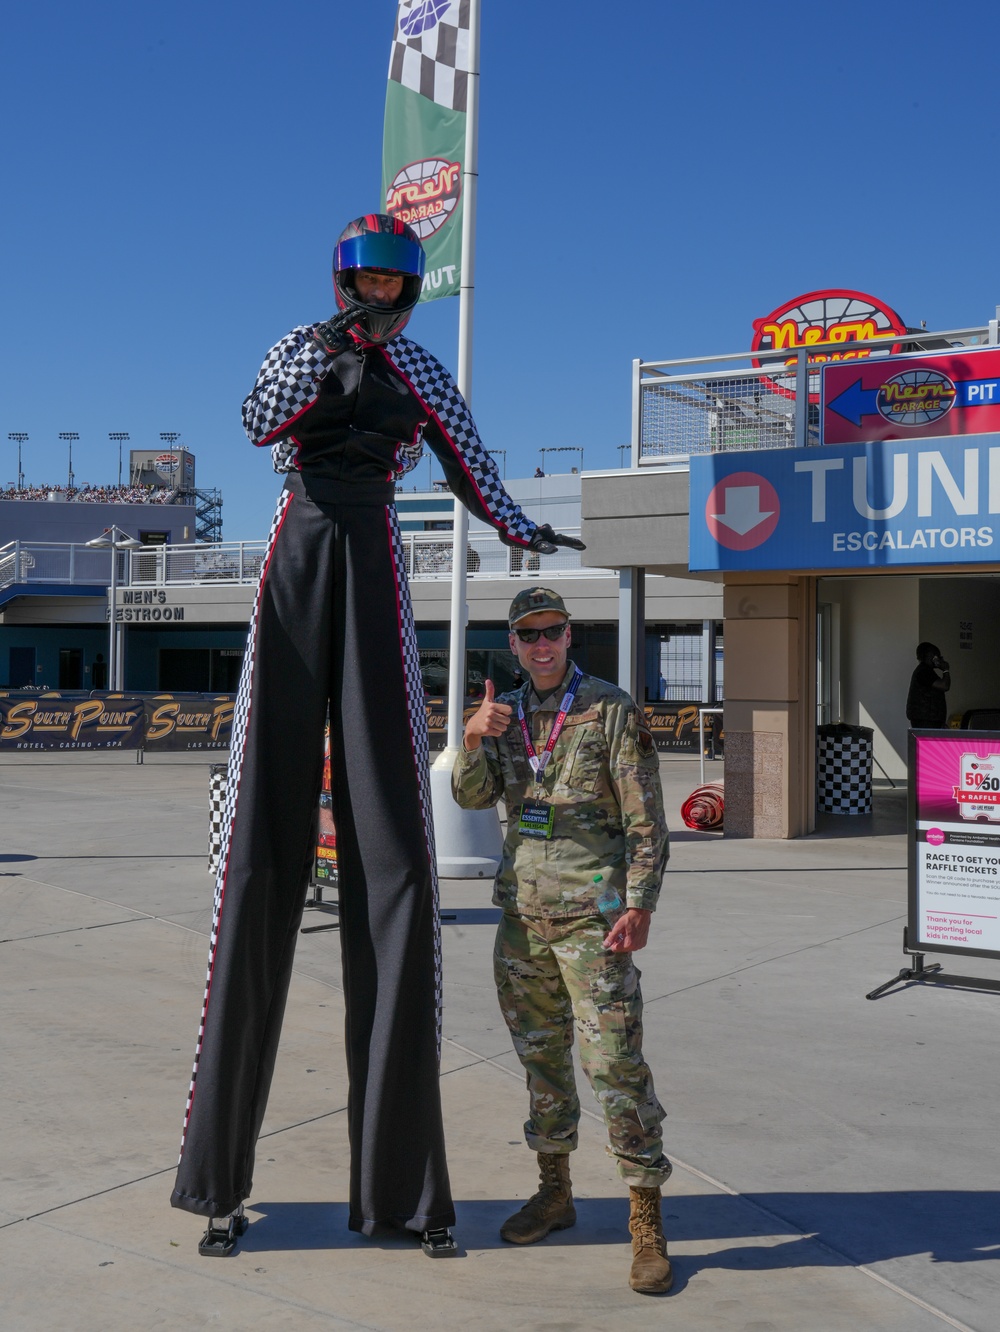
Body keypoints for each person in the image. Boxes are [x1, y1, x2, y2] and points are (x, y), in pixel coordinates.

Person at [170, 215, 584, 1257]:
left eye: (396, 283)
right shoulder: (295, 344)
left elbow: (470, 464)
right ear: (343, 279)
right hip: (297, 556)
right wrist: (328, 346)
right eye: (366, 280)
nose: (381, 295)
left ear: (412, 290)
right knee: (258, 863)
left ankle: (402, 1194)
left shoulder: (425, 373)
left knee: (394, 856)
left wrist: (521, 526)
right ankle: (219, 1181)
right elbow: (258, 420)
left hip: (373, 556)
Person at [452, 588, 673, 1295]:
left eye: (553, 632)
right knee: (542, 1061)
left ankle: (646, 1219)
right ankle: (556, 1192)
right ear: (513, 645)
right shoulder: (507, 713)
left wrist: (639, 905)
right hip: (523, 915)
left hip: (593, 917)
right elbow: (471, 797)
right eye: (528, 635)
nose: (542, 645)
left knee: (613, 1064)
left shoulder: (609, 710)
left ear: (569, 636)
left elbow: (647, 823)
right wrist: (474, 737)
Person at [906, 642, 951, 728]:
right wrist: (945, 670)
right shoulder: (924, 672)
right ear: (932, 656)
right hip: (926, 721)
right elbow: (944, 686)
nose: (940, 658)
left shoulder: (924, 671)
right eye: (938, 656)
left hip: (928, 720)